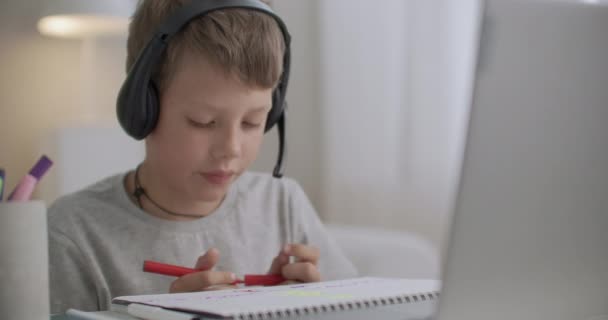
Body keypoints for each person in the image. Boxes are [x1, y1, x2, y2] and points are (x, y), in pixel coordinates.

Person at [48, 0, 357, 313]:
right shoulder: (73, 233)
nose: (231, 148)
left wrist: (316, 306)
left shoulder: (284, 204)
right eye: (203, 121)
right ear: (142, 108)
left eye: (252, 122)